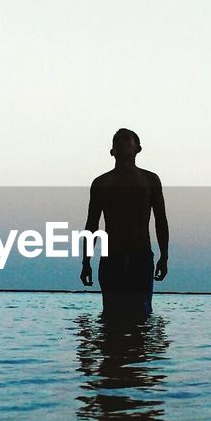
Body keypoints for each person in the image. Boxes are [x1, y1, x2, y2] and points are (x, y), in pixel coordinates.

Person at [79, 128, 168, 318]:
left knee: (142, 312)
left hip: (141, 255)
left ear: (138, 148)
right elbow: (91, 225)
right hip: (112, 257)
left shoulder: (150, 180)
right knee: (111, 313)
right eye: (116, 140)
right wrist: (86, 262)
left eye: (126, 139)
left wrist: (164, 256)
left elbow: (161, 220)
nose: (121, 143)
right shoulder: (101, 183)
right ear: (111, 151)